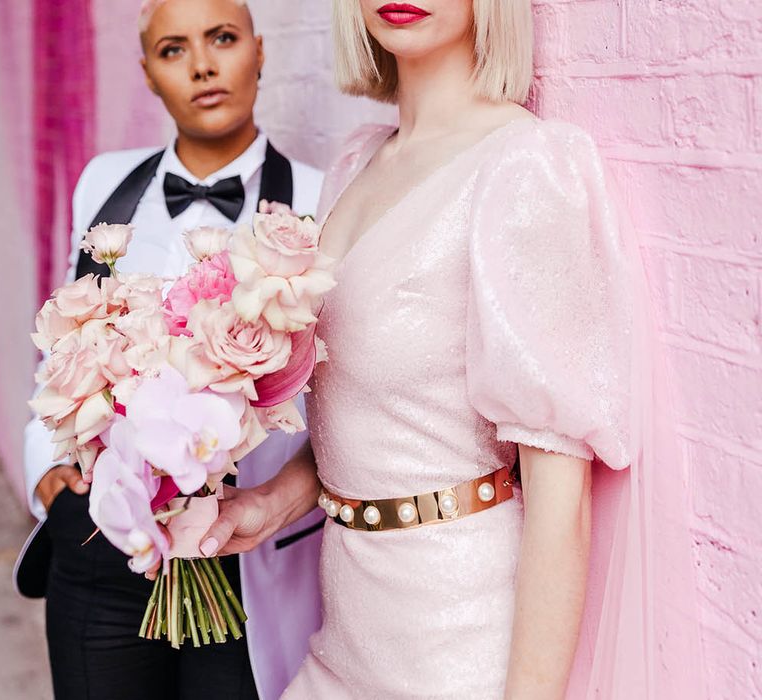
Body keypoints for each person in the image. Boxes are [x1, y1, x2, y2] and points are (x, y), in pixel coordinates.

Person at [194, 1, 706, 698]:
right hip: (344, 640)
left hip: (460, 653)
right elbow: (372, 419)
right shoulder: (355, 164)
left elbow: (561, 503)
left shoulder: (526, 167)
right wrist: (268, 505)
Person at [17, 1, 324, 699]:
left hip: (240, 553)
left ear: (259, 49)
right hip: (102, 540)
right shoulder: (103, 183)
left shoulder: (317, 197)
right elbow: (68, 336)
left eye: (221, 38)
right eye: (173, 49)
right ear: (150, 73)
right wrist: (46, 473)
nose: (204, 65)